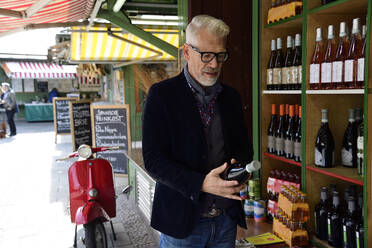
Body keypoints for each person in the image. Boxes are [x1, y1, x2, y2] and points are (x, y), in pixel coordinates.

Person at [142, 15, 253, 247]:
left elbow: (244, 148)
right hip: (182, 226)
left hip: (225, 222)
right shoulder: (161, 96)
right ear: (186, 52)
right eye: (206, 55)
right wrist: (201, 183)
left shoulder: (231, 97)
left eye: (220, 56)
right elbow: (153, 161)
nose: (214, 64)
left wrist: (241, 171)